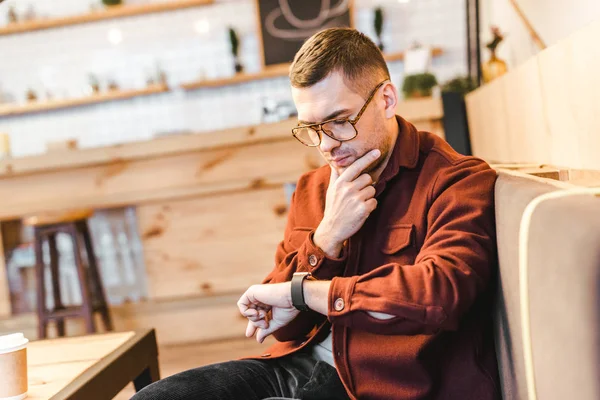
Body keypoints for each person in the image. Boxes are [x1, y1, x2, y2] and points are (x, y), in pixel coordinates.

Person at [133, 27, 500, 400]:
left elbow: (439, 293)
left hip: (388, 385)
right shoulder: (314, 189)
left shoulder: (455, 180)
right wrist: (327, 238)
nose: (326, 145)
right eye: (311, 128)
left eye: (340, 121)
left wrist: (305, 292)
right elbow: (285, 331)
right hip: (297, 366)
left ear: (387, 99)